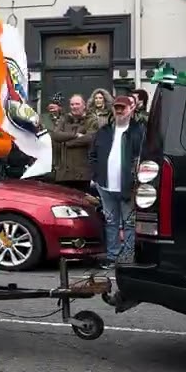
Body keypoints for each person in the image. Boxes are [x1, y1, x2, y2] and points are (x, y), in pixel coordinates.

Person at [89, 95, 145, 269]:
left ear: (131, 109)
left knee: (129, 223)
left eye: (123, 107)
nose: (119, 111)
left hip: (128, 186)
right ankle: (113, 256)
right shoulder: (104, 131)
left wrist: (138, 180)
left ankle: (127, 257)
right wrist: (96, 177)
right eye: (117, 107)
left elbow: (144, 156)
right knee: (111, 222)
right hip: (105, 185)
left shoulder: (139, 131)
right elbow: (93, 155)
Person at [50, 94, 97, 192]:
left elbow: (90, 138)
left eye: (77, 104)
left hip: (83, 173)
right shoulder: (64, 119)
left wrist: (67, 143)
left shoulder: (91, 120)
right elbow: (56, 135)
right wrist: (75, 135)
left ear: (84, 105)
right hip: (64, 173)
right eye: (72, 104)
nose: (74, 107)